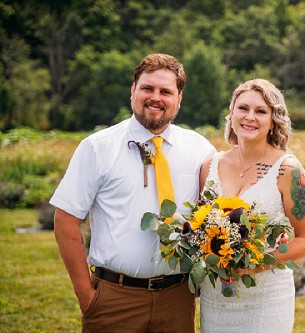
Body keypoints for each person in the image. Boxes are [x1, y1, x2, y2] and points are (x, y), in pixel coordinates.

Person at [50, 53, 216, 333]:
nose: (156, 97)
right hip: (114, 299)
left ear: (179, 98)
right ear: (133, 90)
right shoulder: (97, 147)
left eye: (166, 91)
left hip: (177, 298)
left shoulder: (200, 150)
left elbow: (214, 214)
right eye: (148, 88)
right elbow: (65, 220)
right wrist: (86, 294)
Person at [198, 79, 305, 333]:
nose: (249, 117)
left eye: (261, 111)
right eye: (243, 108)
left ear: (273, 120)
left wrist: (256, 263)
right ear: (231, 115)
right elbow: (200, 228)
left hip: (267, 298)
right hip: (216, 296)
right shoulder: (209, 166)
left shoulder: (288, 170)